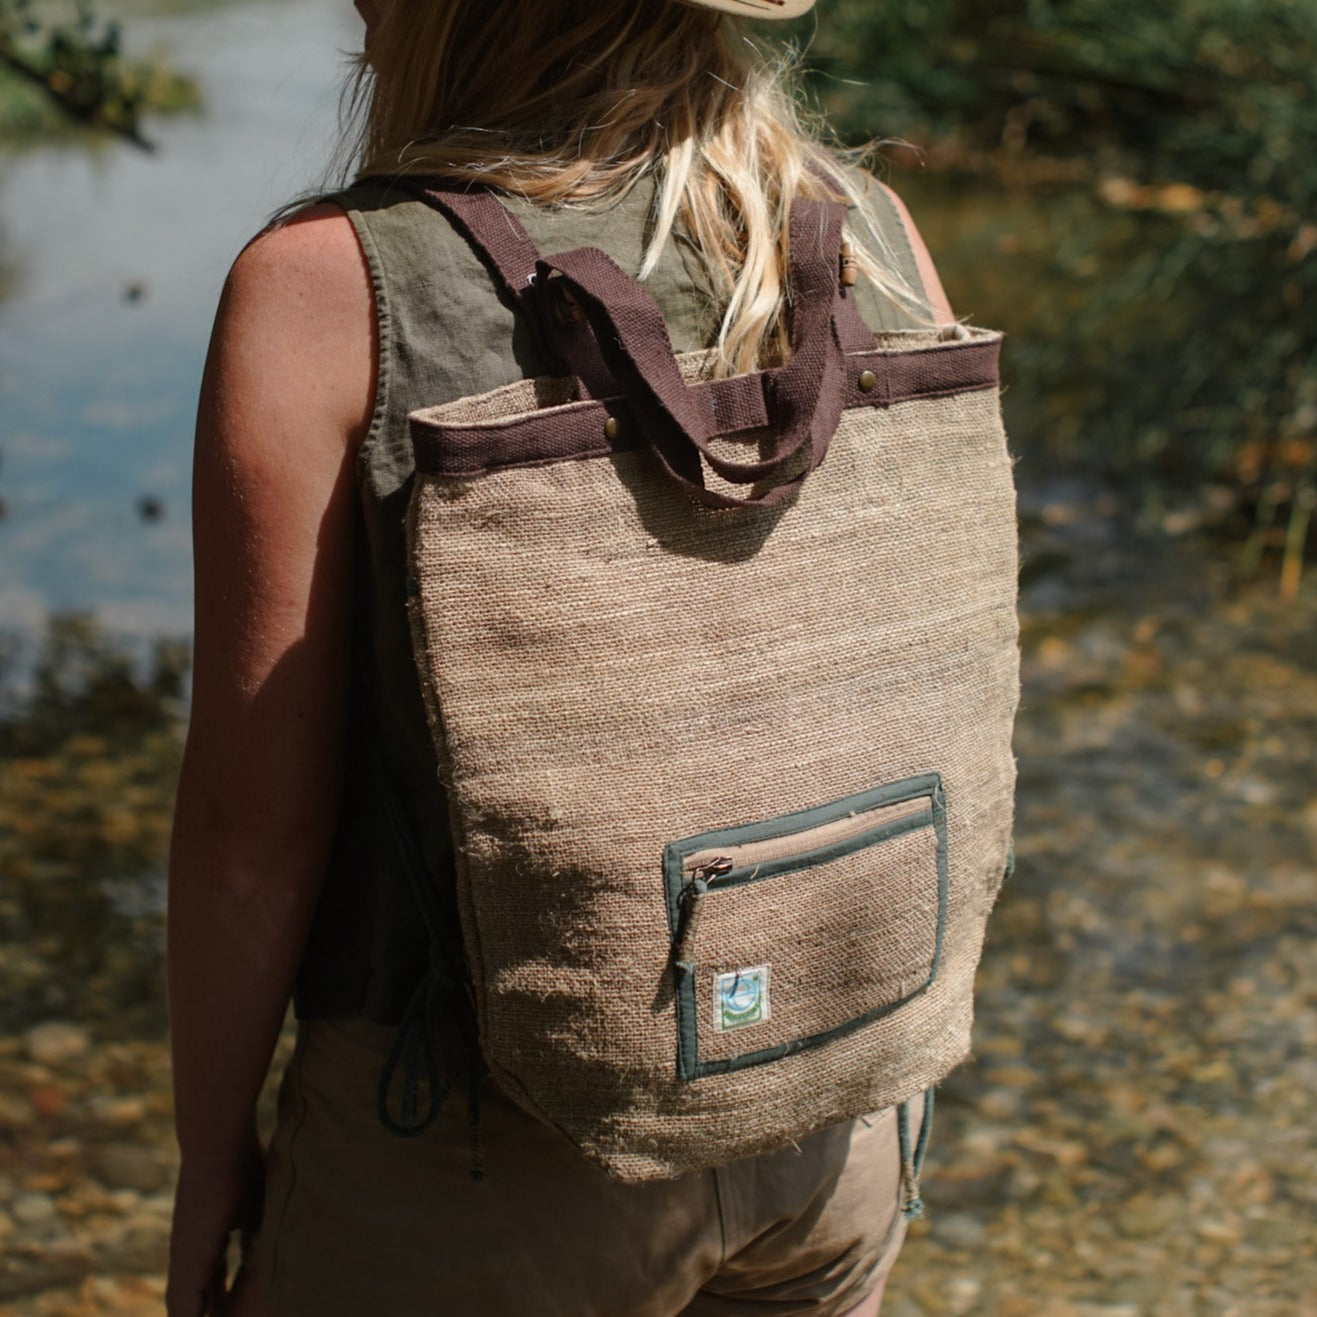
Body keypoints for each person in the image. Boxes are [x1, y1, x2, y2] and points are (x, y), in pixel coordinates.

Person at [166, 1, 958, 1314]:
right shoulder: (864, 233)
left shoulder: (333, 285)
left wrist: (209, 1161)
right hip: (829, 1112)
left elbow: (255, 829)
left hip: (481, 1155)